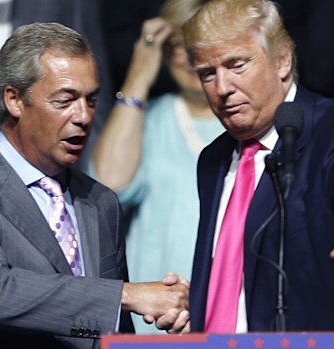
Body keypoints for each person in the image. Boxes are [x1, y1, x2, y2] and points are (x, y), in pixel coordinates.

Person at [0, 22, 190, 349]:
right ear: (14, 99)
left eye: (91, 100)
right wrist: (128, 295)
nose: (84, 116)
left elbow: (114, 330)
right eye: (65, 100)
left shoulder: (100, 201)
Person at [182, 0, 334, 333]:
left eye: (237, 65)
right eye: (208, 73)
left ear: (282, 61)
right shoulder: (213, 160)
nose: (222, 88)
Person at [92, 0, 223, 334]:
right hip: (154, 324)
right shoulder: (152, 119)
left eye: (200, 43)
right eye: (177, 46)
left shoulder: (250, 122)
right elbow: (107, 186)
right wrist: (138, 77)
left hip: (228, 323)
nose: (190, 58)